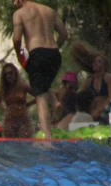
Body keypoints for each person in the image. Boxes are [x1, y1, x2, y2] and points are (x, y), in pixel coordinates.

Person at [12, 0, 68, 140]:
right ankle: (55, 103)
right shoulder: (49, 10)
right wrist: (56, 48)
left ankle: (48, 139)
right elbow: (64, 34)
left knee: (40, 97)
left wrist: (19, 54)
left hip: (37, 53)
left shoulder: (19, 13)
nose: (14, 3)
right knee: (42, 86)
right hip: (54, 54)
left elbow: (17, 38)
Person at [72, 42, 111, 122]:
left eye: (99, 62)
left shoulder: (108, 77)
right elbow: (80, 97)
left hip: (106, 111)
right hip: (92, 114)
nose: (95, 63)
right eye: (94, 62)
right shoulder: (88, 81)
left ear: (104, 65)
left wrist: (99, 110)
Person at [0, 62, 34, 138]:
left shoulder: (23, 86)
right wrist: (5, 109)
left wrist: (29, 104)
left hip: (23, 120)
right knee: (9, 145)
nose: (8, 76)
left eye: (10, 73)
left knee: (25, 144)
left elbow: (38, 96)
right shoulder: (3, 89)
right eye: (6, 74)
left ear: (15, 73)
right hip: (9, 121)